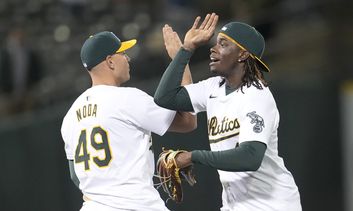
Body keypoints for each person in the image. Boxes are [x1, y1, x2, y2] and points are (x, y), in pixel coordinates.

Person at [154, 13, 302, 211]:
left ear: (242, 54)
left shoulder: (256, 95)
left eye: (223, 44)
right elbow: (165, 97)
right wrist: (185, 50)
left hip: (272, 205)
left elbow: (250, 157)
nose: (213, 49)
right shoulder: (214, 88)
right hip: (236, 204)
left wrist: (192, 156)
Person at [60, 31, 196, 211]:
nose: (127, 58)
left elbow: (75, 175)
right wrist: (181, 60)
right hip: (136, 205)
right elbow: (188, 121)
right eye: (122, 53)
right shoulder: (128, 98)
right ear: (110, 61)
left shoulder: (70, 116)